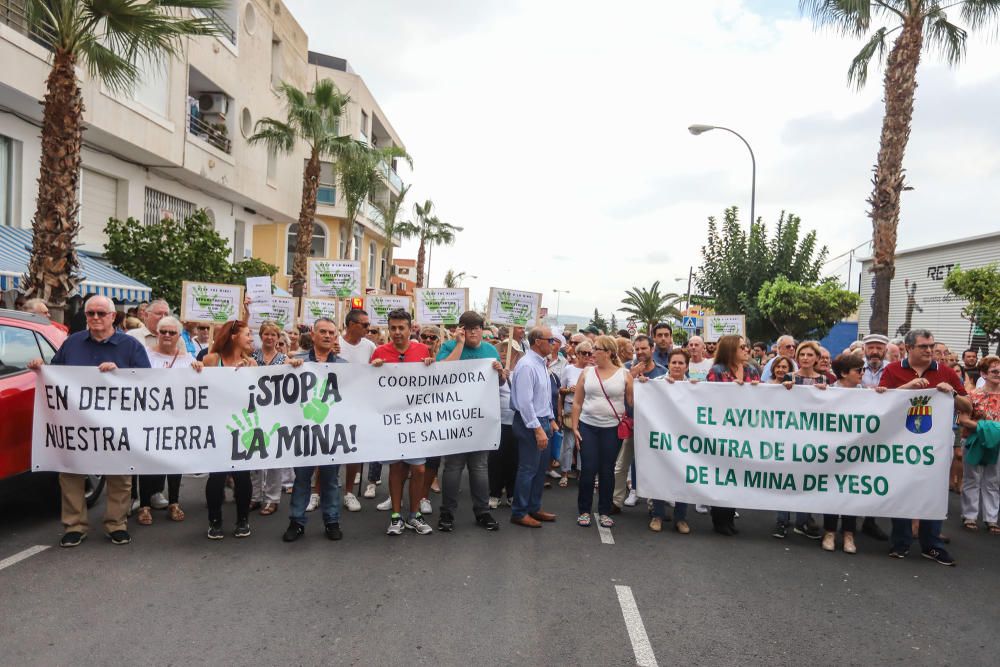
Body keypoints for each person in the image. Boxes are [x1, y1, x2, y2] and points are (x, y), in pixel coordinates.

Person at [27, 296, 151, 547]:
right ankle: (74, 525)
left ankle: (116, 523)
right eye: (90, 313)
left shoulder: (130, 346)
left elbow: (147, 382)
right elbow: (56, 375)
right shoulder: (72, 343)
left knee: (119, 475)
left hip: (117, 423)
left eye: (100, 313)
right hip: (76, 424)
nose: (95, 318)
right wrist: (41, 368)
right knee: (71, 472)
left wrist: (119, 374)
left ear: (113, 317)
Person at [880, 329, 971, 565]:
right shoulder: (892, 370)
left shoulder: (946, 372)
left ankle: (931, 545)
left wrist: (952, 394)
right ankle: (900, 542)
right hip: (900, 443)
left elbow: (967, 405)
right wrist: (908, 387)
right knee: (901, 490)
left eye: (931, 346)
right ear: (909, 348)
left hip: (934, 447)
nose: (930, 351)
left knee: (933, 491)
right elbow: (880, 402)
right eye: (924, 347)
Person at [435, 311, 505, 532]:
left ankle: (482, 512)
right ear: (460, 329)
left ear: (482, 330)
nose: (473, 332)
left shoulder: (491, 350)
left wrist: (501, 372)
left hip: (480, 417)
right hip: (454, 416)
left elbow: (500, 383)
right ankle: (447, 513)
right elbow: (442, 372)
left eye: (477, 328)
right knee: (453, 466)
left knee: (479, 467)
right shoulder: (448, 347)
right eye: (468, 328)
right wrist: (459, 344)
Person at [370, 309, 436, 536]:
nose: (397, 332)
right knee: (396, 468)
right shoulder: (379, 351)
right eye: (393, 328)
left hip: (415, 419)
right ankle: (396, 516)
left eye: (401, 328)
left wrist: (431, 364)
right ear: (388, 329)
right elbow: (367, 385)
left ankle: (414, 514)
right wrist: (374, 370)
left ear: (410, 329)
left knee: (418, 469)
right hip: (391, 420)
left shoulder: (422, 350)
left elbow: (433, 383)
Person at [134, 316, 203, 527]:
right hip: (149, 417)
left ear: (178, 336)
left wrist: (199, 369)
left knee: (175, 461)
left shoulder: (187, 359)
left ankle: (174, 501)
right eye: (163, 331)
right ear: (157, 333)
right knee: (147, 462)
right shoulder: (145, 356)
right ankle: (144, 504)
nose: (166, 335)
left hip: (176, 419)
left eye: (172, 332)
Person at [282, 318, 345, 543]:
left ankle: (332, 521)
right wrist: (288, 365)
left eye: (331, 332)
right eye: (323, 332)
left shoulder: (344, 366)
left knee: (329, 479)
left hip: (331, 431)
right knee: (302, 478)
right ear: (313, 334)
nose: (328, 336)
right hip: (303, 431)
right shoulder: (297, 361)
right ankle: (296, 522)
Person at [821, 354, 888, 553]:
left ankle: (849, 534)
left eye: (863, 370)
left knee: (851, 490)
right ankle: (830, 532)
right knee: (832, 490)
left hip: (856, 452)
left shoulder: (866, 393)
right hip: (832, 450)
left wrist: (882, 394)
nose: (863, 373)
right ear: (843, 373)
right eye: (859, 370)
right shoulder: (828, 392)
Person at [201, 321, 259, 539]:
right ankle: (214, 521)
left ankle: (243, 519)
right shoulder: (211, 360)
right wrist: (196, 370)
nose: (251, 337)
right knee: (216, 476)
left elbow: (258, 394)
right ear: (234, 336)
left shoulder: (251, 363)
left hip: (242, 426)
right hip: (216, 426)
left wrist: (248, 375)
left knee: (242, 476)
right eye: (247, 333)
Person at [571, 335, 634, 529]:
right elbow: (577, 401)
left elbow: (632, 402)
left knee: (607, 470)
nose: (591, 354)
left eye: (595, 350)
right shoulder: (587, 372)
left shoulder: (624, 374)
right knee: (588, 469)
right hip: (587, 426)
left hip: (612, 428)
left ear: (607, 352)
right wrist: (574, 426)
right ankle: (584, 510)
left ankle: (605, 510)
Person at [705, 335, 760, 535]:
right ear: (731, 350)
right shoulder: (717, 371)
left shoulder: (752, 370)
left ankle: (730, 517)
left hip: (745, 432)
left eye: (747, 347)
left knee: (736, 475)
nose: (747, 350)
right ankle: (719, 519)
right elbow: (710, 399)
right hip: (723, 431)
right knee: (722, 476)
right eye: (742, 347)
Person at [509, 326, 560, 528]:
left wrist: (551, 419)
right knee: (528, 469)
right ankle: (519, 512)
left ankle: (534, 507)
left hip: (542, 420)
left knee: (539, 470)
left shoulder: (540, 363)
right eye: (551, 340)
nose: (554, 344)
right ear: (538, 341)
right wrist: (538, 428)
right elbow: (525, 402)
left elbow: (544, 397)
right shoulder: (528, 365)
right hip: (530, 423)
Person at [611, 335, 665, 512]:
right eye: (637, 349)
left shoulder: (662, 372)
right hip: (630, 424)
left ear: (652, 349)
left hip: (653, 428)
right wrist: (631, 377)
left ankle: (653, 506)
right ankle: (616, 501)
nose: (640, 352)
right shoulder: (625, 369)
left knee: (652, 467)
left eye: (644, 348)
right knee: (620, 466)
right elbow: (615, 392)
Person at [648, 348, 694, 534]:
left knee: (683, 477)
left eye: (680, 363)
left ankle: (680, 518)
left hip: (685, 441)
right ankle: (657, 515)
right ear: (668, 364)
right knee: (660, 474)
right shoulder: (656, 383)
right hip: (662, 438)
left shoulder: (694, 386)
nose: (676, 366)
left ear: (687, 366)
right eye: (674, 362)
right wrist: (643, 383)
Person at [249, 321, 293, 516]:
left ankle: (272, 498)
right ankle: (255, 496)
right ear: (261, 336)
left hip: (276, 411)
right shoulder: (251, 358)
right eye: (266, 334)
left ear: (278, 338)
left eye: (273, 335)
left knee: (274, 456)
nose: (269, 338)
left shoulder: (284, 359)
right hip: (254, 411)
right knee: (254, 455)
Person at [337, 309, 379, 508]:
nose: (368, 329)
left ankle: (348, 493)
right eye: (364, 325)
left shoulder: (370, 346)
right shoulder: (335, 343)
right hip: (333, 404)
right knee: (329, 448)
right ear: (351, 325)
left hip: (359, 404)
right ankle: (317, 492)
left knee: (353, 449)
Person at [957, 355, 1000, 534]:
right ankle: (970, 516)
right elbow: (963, 419)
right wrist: (988, 427)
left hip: (997, 443)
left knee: (993, 480)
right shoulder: (972, 395)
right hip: (973, 440)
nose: (998, 374)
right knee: (972, 478)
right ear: (983, 373)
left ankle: (991, 519)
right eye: (994, 371)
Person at [557, 339, 593, 487]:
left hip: (587, 409)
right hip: (571, 407)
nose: (587, 356)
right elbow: (560, 390)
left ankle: (580, 472)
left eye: (589, 353)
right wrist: (569, 390)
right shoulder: (569, 369)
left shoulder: (592, 369)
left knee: (583, 443)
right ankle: (564, 473)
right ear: (577, 354)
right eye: (584, 353)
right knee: (568, 443)